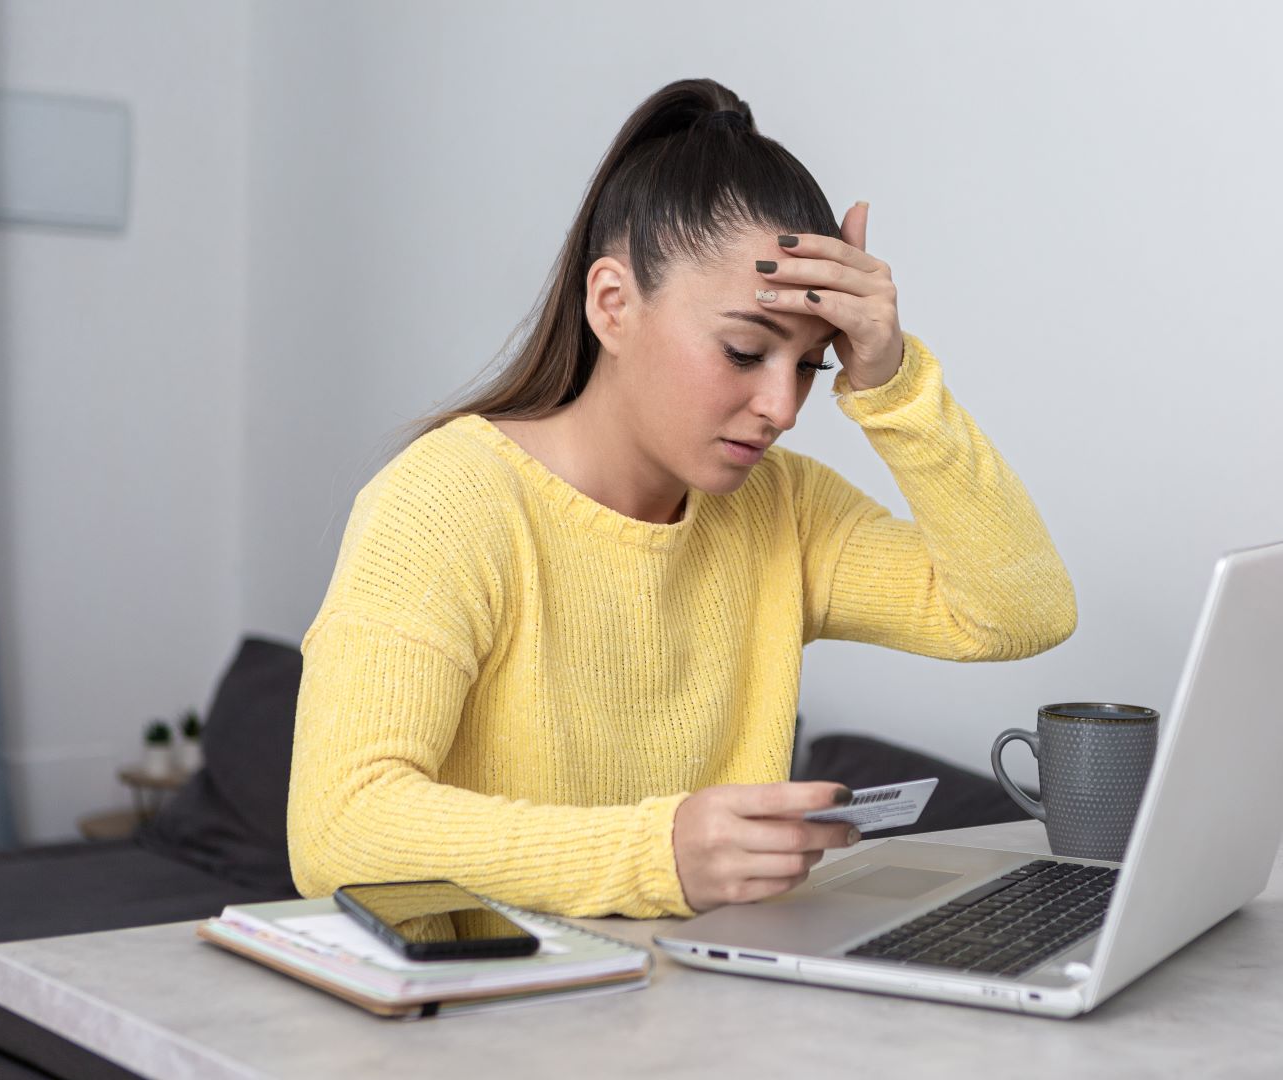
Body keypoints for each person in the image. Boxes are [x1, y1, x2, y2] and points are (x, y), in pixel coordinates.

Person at [286, 78, 1077, 920]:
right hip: (496, 1025)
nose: (784, 407)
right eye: (745, 351)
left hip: (711, 1015)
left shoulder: (783, 511)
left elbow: (1018, 611)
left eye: (812, 363)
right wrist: (657, 853)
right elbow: (339, 827)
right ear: (612, 306)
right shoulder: (448, 503)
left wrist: (892, 379)